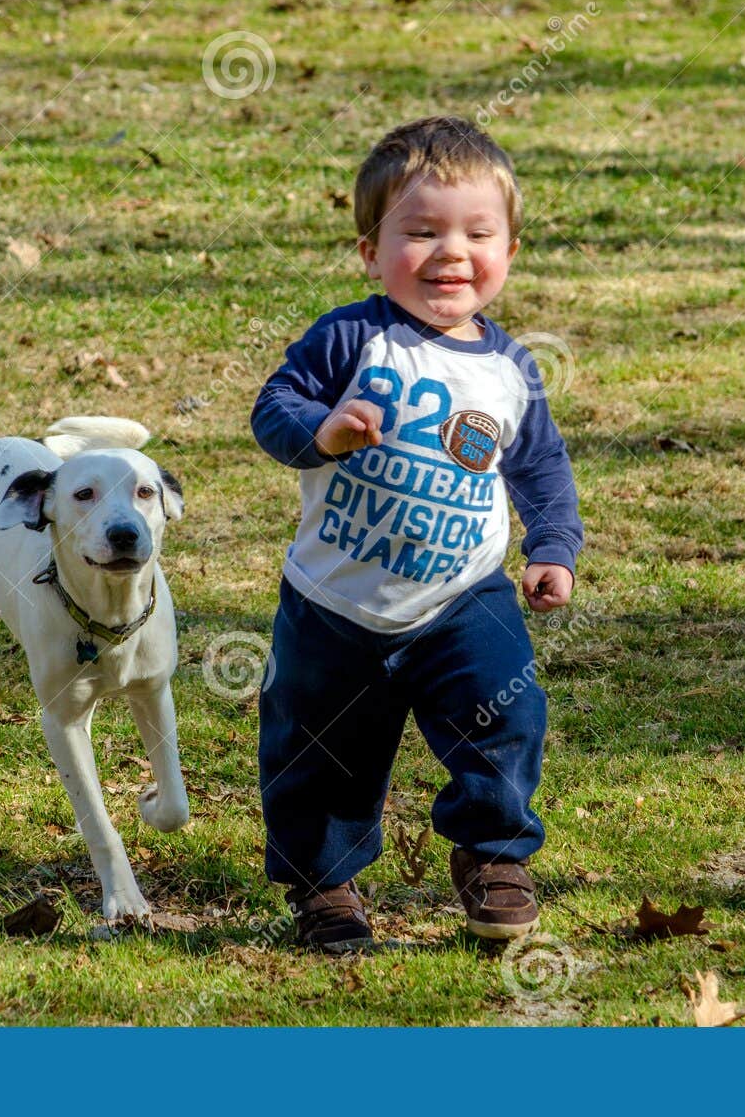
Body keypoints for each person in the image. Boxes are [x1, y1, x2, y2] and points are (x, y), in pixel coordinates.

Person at [249, 115, 584, 951]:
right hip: (336, 600)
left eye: (478, 233)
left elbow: (540, 468)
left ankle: (493, 854)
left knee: (508, 716)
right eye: (421, 232)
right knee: (315, 750)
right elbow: (273, 410)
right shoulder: (350, 338)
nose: (451, 254)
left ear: (510, 249)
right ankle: (323, 886)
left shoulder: (510, 370)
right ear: (370, 250)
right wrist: (323, 430)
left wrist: (551, 547)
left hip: (464, 596)